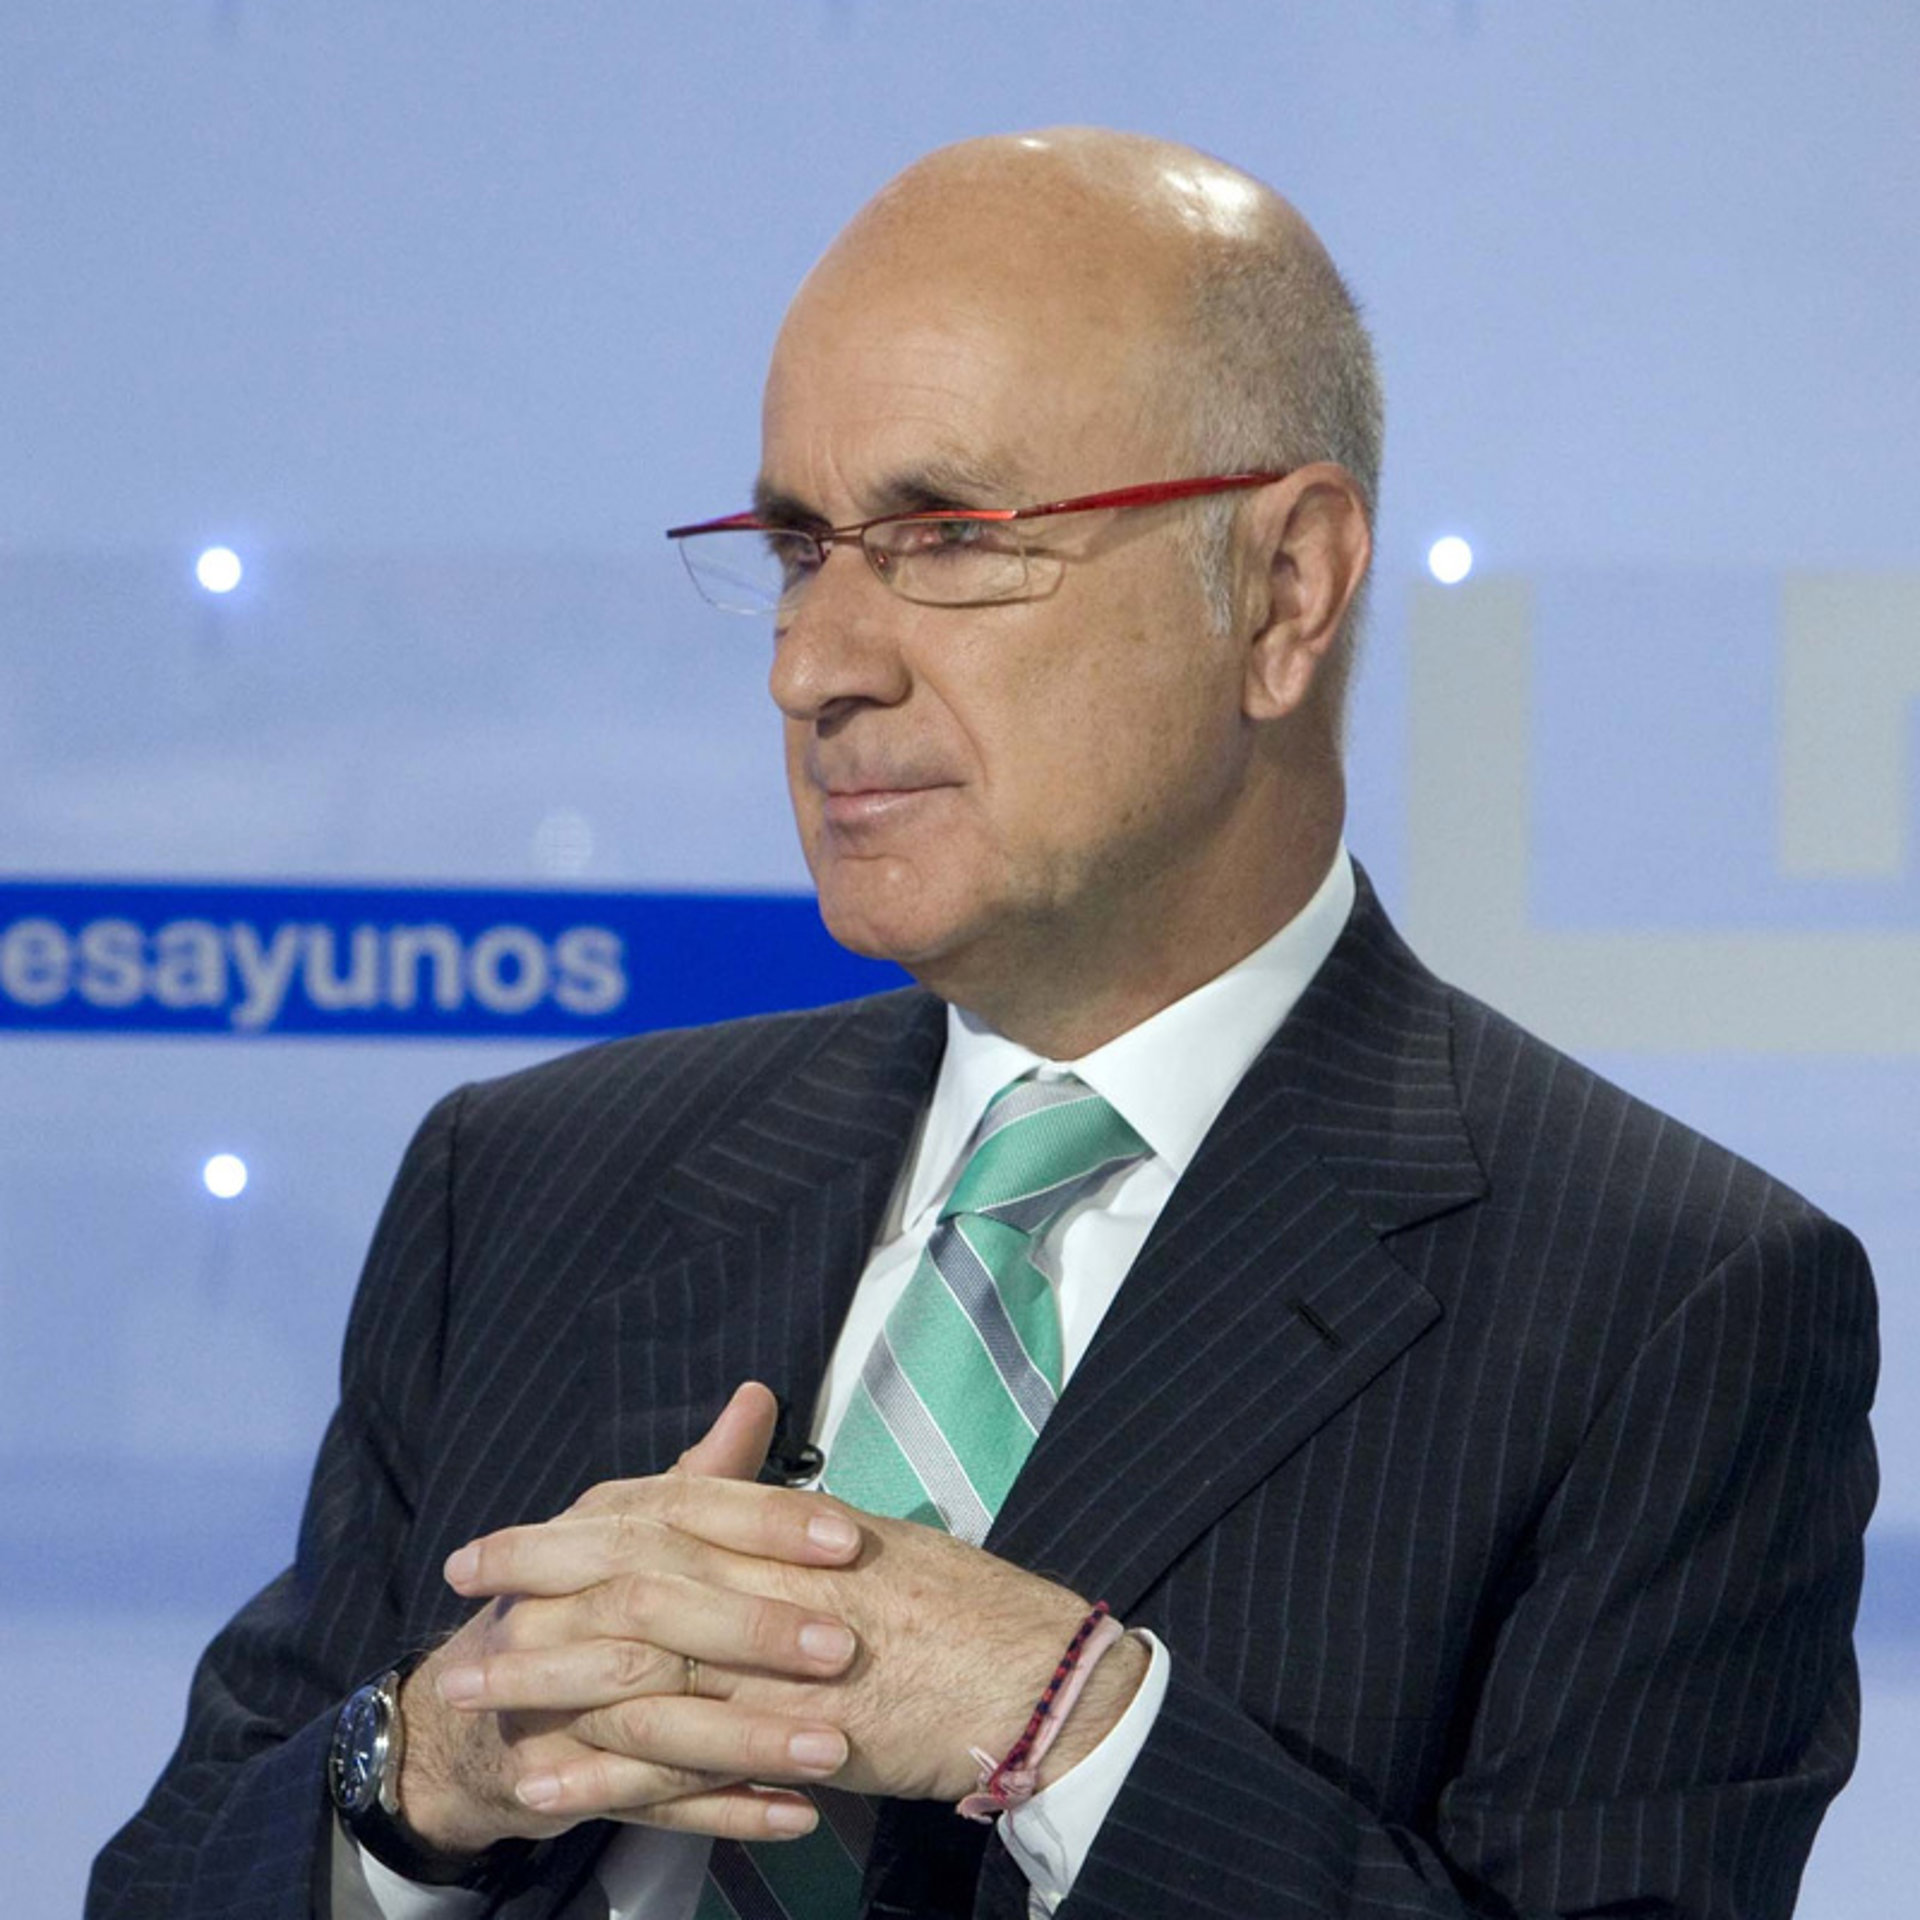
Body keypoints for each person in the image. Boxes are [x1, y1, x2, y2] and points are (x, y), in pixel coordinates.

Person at [90, 128, 1877, 1920]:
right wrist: (421, 1776)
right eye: (800, 549)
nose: (813, 664)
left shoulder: (1668, 1307)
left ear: (1286, 589)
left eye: (946, 538)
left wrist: (1076, 1735)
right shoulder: (524, 1186)